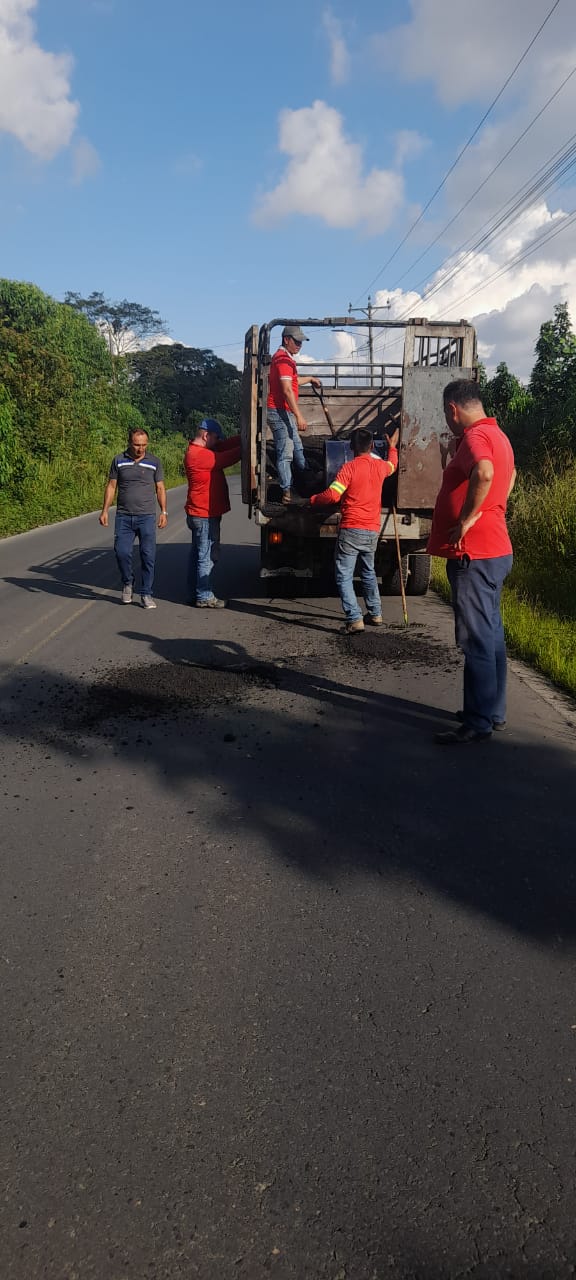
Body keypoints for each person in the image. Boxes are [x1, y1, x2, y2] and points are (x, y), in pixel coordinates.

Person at [427, 379, 516, 745]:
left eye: (446, 415)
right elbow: (510, 475)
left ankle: (478, 722)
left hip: (474, 554)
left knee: (476, 640)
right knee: (491, 635)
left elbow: (485, 472)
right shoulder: (498, 435)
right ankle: (492, 712)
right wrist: (492, 508)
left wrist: (466, 519)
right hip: (496, 550)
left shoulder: (475, 437)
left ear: (453, 409)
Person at [309, 427, 399, 633]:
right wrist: (392, 448)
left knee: (344, 575)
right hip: (372, 530)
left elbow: (332, 496)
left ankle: (354, 618)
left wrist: (313, 500)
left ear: (351, 447)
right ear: (372, 446)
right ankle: (375, 613)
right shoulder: (380, 467)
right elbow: (393, 465)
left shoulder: (348, 468)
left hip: (351, 529)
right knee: (368, 572)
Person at [99, 427, 167, 609]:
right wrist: (105, 510)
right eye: (137, 445)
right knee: (121, 552)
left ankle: (146, 593)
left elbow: (160, 488)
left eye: (144, 445)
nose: (140, 449)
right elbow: (111, 486)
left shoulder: (154, 462)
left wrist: (164, 512)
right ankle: (128, 582)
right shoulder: (119, 460)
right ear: (129, 443)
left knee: (148, 555)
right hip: (124, 516)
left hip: (146, 517)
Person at [184, 417, 241, 608]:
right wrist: (249, 445)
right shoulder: (199, 455)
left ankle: (194, 593)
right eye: (216, 438)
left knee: (197, 555)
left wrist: (244, 437)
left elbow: (223, 446)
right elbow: (229, 457)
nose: (218, 442)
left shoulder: (199, 450)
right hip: (204, 514)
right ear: (206, 435)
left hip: (200, 513)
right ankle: (204, 595)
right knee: (206, 556)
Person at [267, 325, 323, 505]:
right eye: (296, 341)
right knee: (286, 452)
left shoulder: (284, 359)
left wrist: (310, 379)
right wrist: (299, 415)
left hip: (284, 410)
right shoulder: (283, 360)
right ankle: (287, 491)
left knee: (298, 448)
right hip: (278, 411)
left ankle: (308, 479)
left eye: (301, 342)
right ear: (286, 340)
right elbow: (286, 390)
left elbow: (292, 381)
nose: (300, 345)